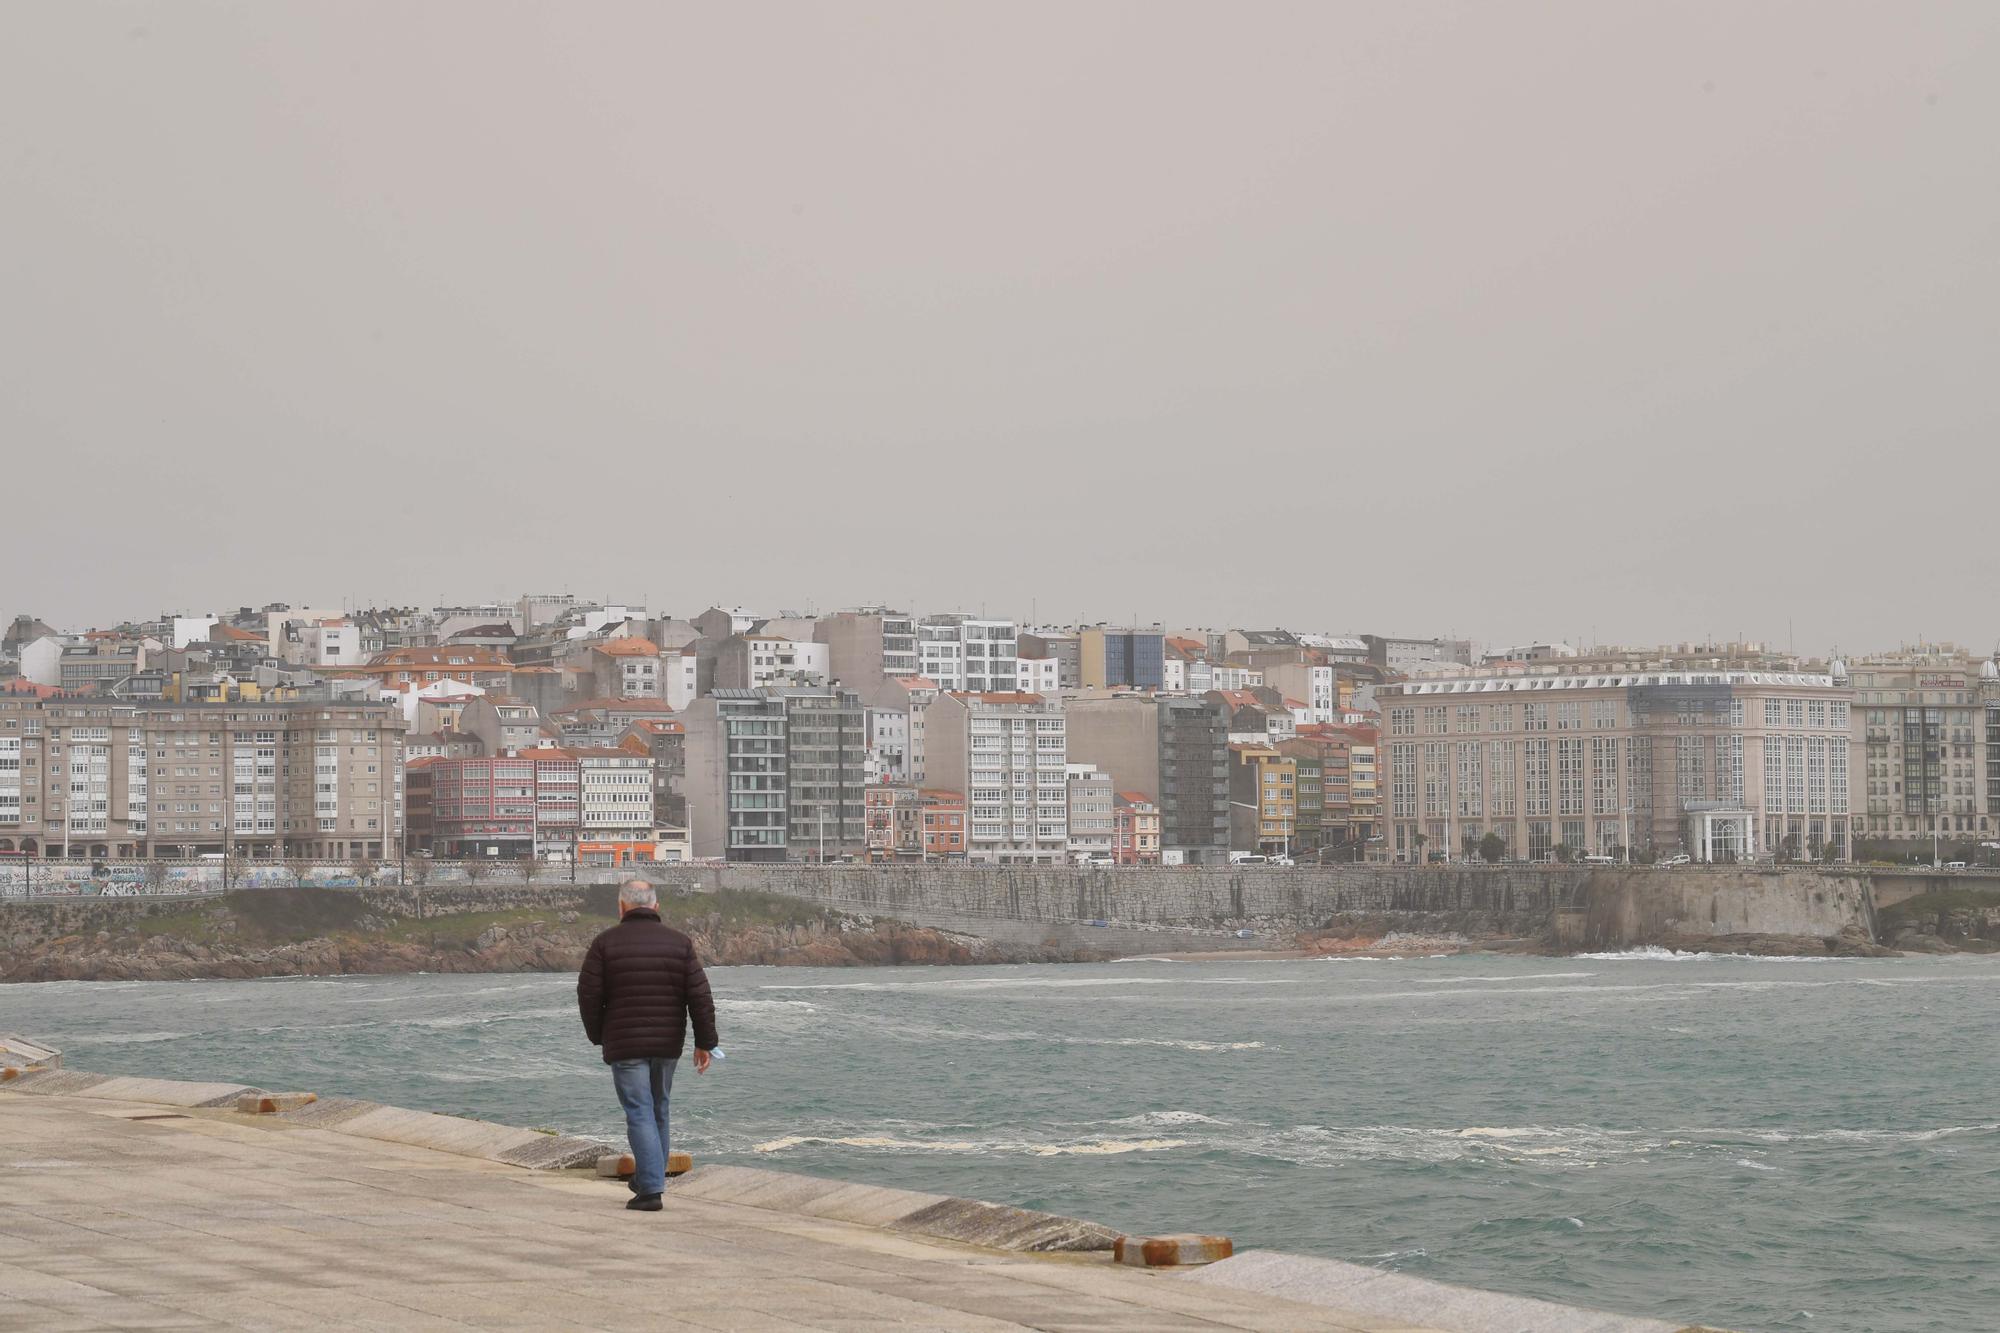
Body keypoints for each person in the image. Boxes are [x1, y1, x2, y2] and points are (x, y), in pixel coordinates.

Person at [577, 878, 719, 1211]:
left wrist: (599, 1035)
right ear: (655, 906)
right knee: (659, 1109)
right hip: (667, 1043)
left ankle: (651, 1188)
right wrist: (704, 1042)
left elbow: (588, 995)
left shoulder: (604, 944)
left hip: (625, 1043)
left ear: (622, 907)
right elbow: (700, 996)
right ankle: (647, 1178)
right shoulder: (679, 944)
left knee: (639, 1111)